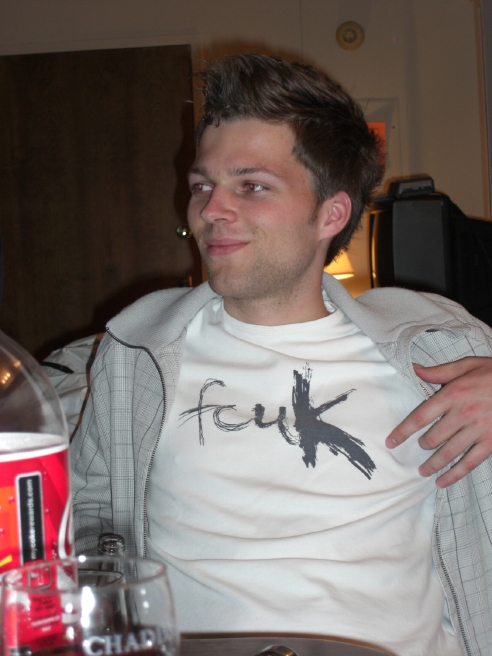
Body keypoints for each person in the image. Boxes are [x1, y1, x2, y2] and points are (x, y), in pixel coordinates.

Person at [71, 55, 492, 656]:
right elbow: (90, 522)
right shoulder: (135, 354)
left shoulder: (439, 352)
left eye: (252, 186)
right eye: (201, 185)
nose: (210, 210)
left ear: (331, 214)